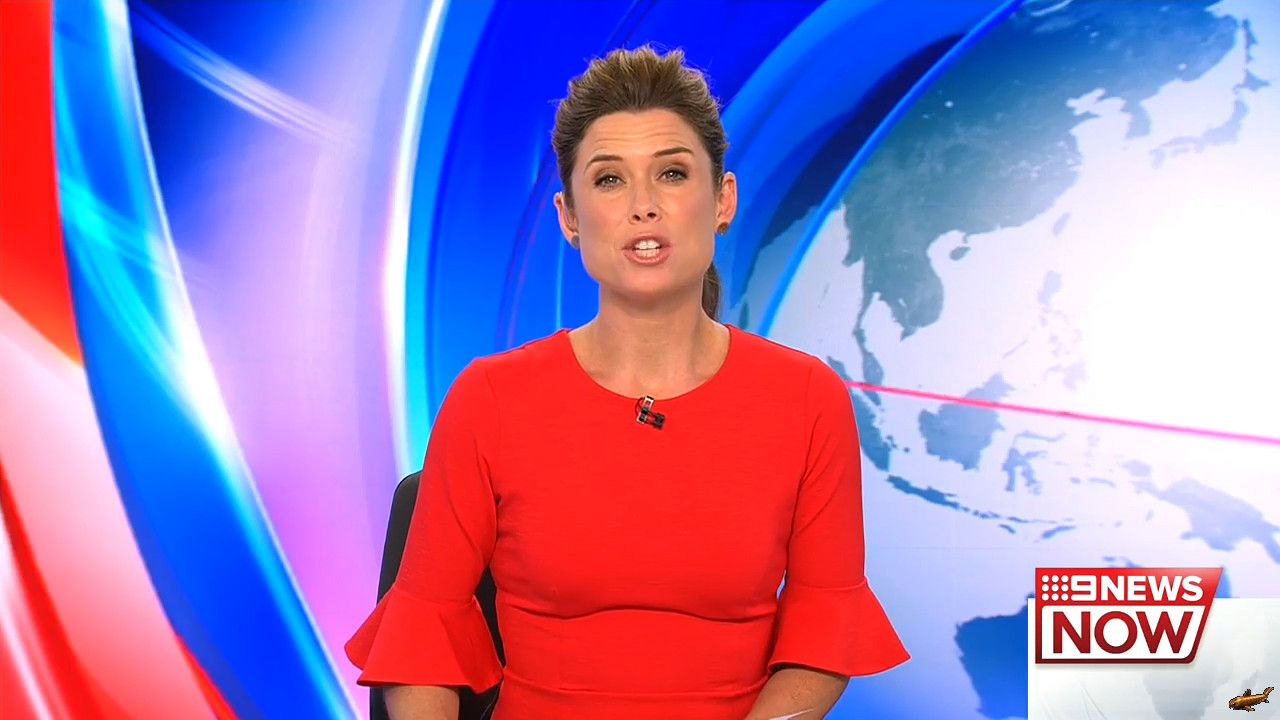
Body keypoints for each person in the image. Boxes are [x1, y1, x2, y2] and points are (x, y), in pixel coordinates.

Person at [345, 45, 908, 720]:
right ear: (569, 217)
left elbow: (823, 639)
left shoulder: (808, 399)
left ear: (722, 200)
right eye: (610, 180)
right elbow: (421, 642)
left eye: (672, 173)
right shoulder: (490, 397)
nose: (644, 205)